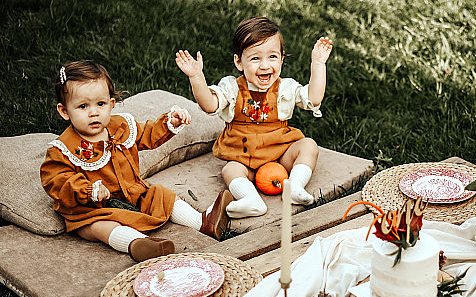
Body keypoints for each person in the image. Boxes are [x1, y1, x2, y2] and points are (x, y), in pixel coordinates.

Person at [40, 60, 232, 262]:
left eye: (101, 104)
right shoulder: (64, 149)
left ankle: (203, 222)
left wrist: (168, 123)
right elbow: (57, 180)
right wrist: (88, 190)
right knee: (99, 227)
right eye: (82, 106)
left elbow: (147, 134)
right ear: (64, 111)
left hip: (133, 194)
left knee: (162, 195)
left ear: (111, 104)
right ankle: (140, 244)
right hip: (94, 209)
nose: (94, 112)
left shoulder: (121, 126)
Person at [175, 16, 332, 217]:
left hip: (279, 153)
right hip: (244, 157)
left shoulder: (285, 88)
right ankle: (250, 200)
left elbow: (314, 99)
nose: (265, 66)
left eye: (272, 57)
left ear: (282, 59)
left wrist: (318, 64)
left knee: (308, 145)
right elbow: (209, 105)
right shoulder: (232, 87)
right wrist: (196, 77)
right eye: (255, 58)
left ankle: (295, 186)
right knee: (230, 170)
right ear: (239, 62)